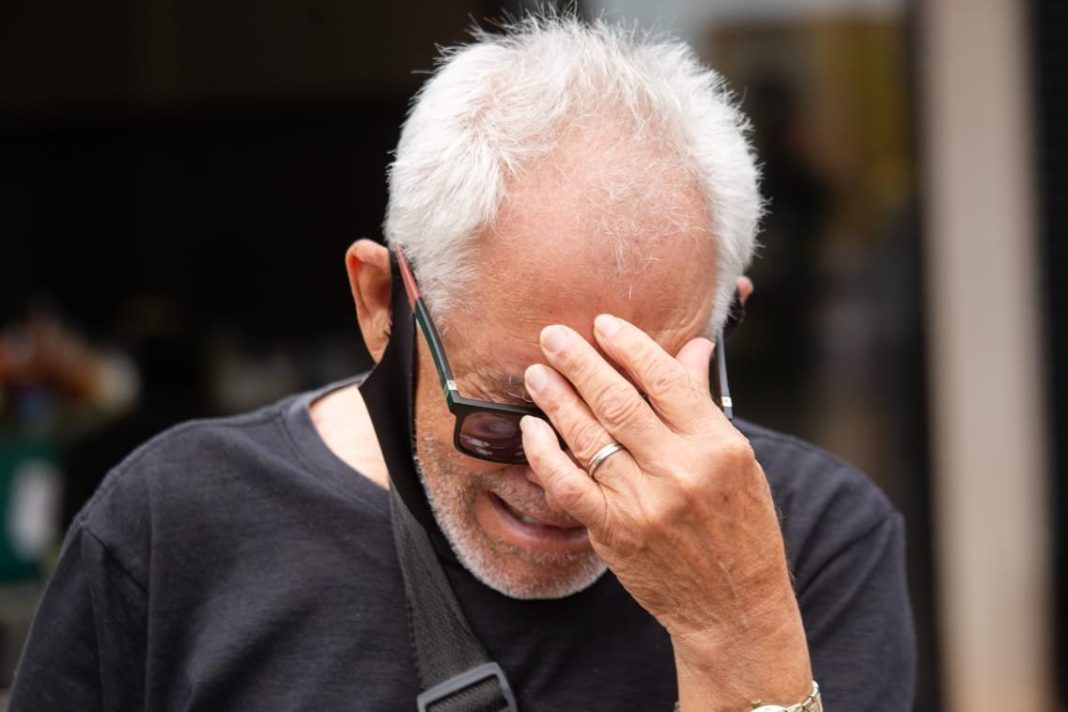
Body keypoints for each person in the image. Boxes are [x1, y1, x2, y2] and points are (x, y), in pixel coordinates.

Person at [10, 15, 914, 711]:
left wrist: (736, 633)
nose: (567, 481)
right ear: (380, 304)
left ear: (728, 320)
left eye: (638, 406)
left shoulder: (814, 539)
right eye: (508, 419)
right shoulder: (174, 528)